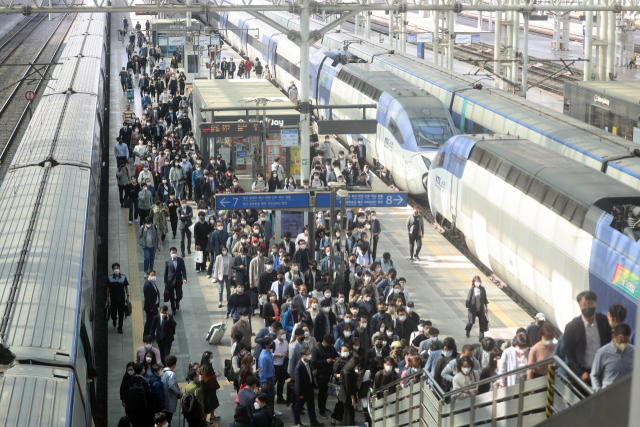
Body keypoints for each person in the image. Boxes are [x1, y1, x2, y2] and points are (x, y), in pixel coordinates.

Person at [564, 291, 612, 384]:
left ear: (595, 304)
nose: (587, 307)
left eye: (591, 303)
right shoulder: (572, 327)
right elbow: (569, 353)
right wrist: (580, 372)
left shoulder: (602, 320)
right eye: (584, 304)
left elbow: (608, 343)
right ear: (579, 306)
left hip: (603, 371)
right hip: (585, 374)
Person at [591, 323, 634, 392]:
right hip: (609, 395)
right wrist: (598, 392)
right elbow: (594, 375)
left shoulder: (634, 351)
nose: (623, 344)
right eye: (620, 342)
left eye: (626, 342)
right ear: (613, 337)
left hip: (628, 393)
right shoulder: (602, 353)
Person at [294, 347, 324, 427]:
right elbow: (298, 382)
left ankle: (313, 421)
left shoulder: (308, 363)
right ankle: (297, 422)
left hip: (309, 388)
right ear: (303, 355)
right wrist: (300, 393)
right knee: (298, 407)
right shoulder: (299, 366)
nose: (310, 355)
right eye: (308, 354)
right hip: (303, 391)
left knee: (311, 406)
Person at [312, 334, 338, 419]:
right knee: (322, 393)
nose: (329, 346)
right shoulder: (317, 350)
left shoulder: (331, 348)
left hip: (329, 375)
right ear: (323, 342)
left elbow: (336, 355)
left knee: (327, 392)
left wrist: (336, 359)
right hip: (321, 375)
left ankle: (324, 406)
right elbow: (314, 362)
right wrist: (325, 361)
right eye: (328, 344)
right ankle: (321, 410)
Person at [106, 263, 130, 334]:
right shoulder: (110, 278)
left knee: (121, 314)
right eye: (114, 268)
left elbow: (126, 287)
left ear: (119, 269)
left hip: (121, 299)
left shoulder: (123, 277)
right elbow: (108, 288)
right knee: (113, 313)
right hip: (113, 299)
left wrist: (128, 296)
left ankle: (120, 327)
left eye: (117, 268)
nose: (116, 269)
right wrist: (107, 297)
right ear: (113, 269)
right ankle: (114, 319)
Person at [127, 363, 152, 427]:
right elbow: (149, 396)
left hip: (133, 408)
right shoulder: (143, 382)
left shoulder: (130, 381)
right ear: (142, 371)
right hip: (143, 409)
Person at [465, 276, 489, 341]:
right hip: (473, 309)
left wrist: (486, 306)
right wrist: (468, 307)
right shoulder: (472, 290)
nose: (477, 282)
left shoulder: (482, 289)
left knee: (482, 323)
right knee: (471, 322)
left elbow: (484, 298)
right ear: (474, 282)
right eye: (476, 281)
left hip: (480, 309)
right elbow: (468, 299)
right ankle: (468, 330)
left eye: (478, 281)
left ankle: (481, 338)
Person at [200, 351, 222, 421]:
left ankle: (212, 417)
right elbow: (206, 380)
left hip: (212, 388)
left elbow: (210, 375)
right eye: (211, 357)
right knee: (208, 405)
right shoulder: (204, 368)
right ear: (207, 358)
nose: (212, 359)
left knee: (213, 403)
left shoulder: (209, 365)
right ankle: (205, 421)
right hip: (208, 390)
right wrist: (215, 375)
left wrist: (215, 373)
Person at [164, 247, 187, 314]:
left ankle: (176, 301)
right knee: (171, 296)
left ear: (176, 252)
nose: (174, 253)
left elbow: (183, 270)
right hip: (170, 281)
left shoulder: (180, 260)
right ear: (170, 253)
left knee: (180, 295)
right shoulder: (167, 261)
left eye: (175, 252)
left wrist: (184, 278)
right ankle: (173, 309)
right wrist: (165, 281)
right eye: (172, 252)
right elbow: (165, 272)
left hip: (178, 281)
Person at [161, 355, 183, 425]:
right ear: (174, 364)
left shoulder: (162, 372)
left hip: (163, 400)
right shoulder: (171, 374)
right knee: (168, 421)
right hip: (169, 401)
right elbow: (172, 385)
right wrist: (179, 393)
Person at [143, 270, 161, 336]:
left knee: (153, 322)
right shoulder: (147, 285)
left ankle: (152, 334)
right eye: (152, 275)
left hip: (155, 306)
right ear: (148, 276)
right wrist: (150, 308)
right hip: (151, 307)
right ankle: (146, 335)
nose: (154, 276)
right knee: (149, 322)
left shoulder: (152, 283)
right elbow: (147, 298)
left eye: (154, 275)